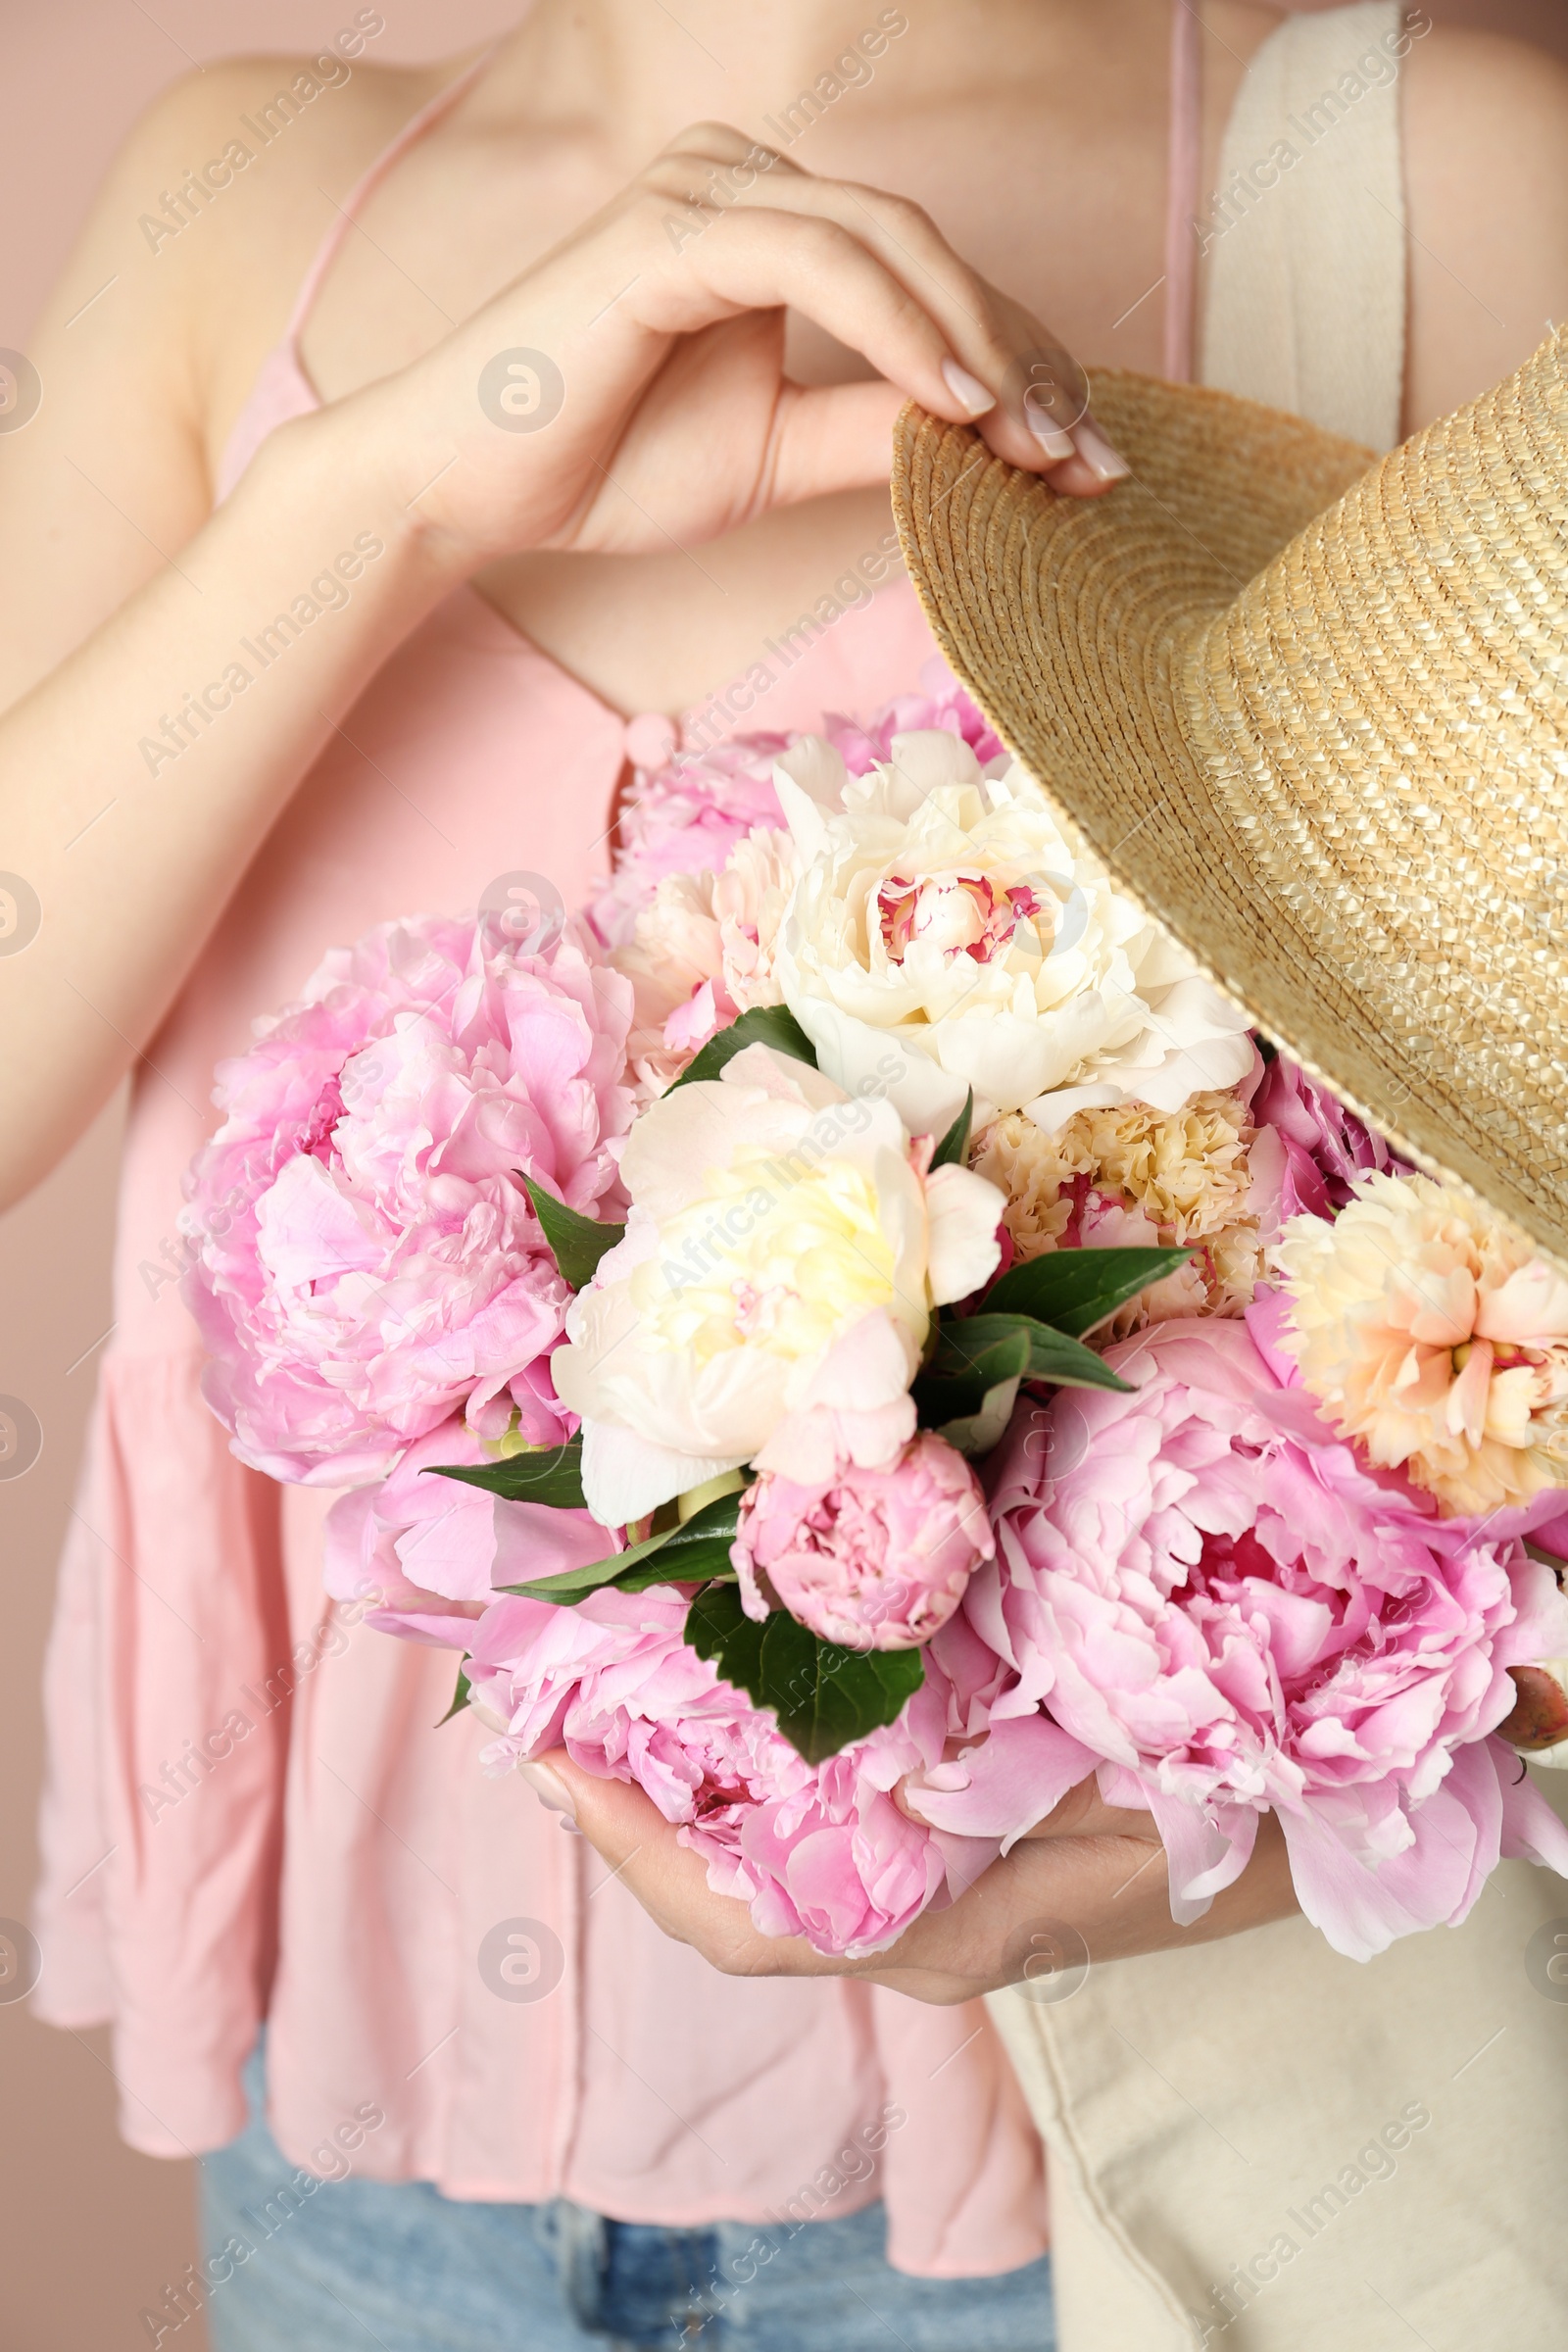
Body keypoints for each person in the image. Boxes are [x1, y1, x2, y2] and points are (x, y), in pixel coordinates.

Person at [6, 2, 1566, 2346]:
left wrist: (1225, 1835)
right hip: (359, 2144)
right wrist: (381, 492)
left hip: (1121, 2188)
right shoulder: (238, 203)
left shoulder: (1411, 179)